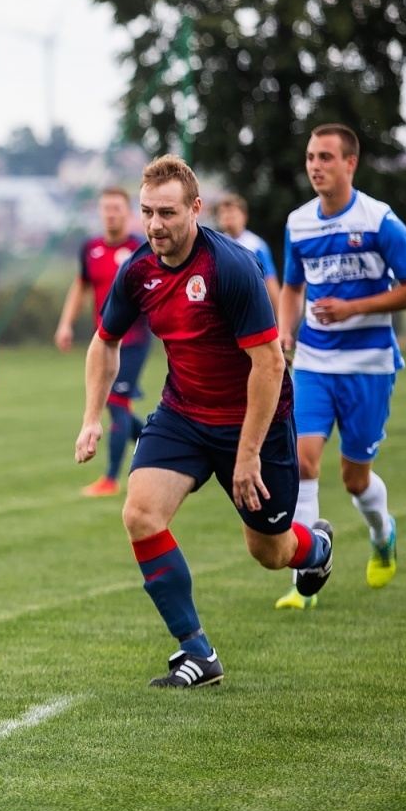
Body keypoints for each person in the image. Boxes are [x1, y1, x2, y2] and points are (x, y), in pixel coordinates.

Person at [76, 155, 333, 688]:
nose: (154, 225)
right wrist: (91, 418)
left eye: (166, 213)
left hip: (255, 422)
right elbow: (105, 341)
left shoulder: (231, 267)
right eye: (147, 212)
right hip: (183, 414)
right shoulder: (139, 269)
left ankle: (317, 548)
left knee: (270, 551)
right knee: (141, 514)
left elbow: (269, 363)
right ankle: (197, 652)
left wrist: (246, 455)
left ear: (195, 208)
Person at [276, 124, 406, 606]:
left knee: (354, 478)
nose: (315, 166)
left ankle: (382, 535)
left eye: (325, 157)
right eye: (310, 157)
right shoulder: (299, 223)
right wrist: (285, 332)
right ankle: (306, 576)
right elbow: (294, 286)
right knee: (302, 460)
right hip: (316, 362)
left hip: (369, 367)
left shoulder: (381, 222)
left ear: (349, 163)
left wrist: (353, 308)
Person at [55, 188, 149, 496]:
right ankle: (155, 440)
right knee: (114, 405)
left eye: (116, 208)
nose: (111, 213)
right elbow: (80, 286)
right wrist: (66, 324)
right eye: (106, 208)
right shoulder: (90, 248)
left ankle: (110, 479)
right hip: (104, 342)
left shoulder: (141, 248)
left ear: (128, 212)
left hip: (134, 339)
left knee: (117, 402)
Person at [212, 193, 282, 304]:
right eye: (223, 213)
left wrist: (281, 317)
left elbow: (270, 282)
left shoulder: (256, 246)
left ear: (244, 216)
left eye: (232, 213)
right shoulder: (214, 245)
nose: (228, 217)